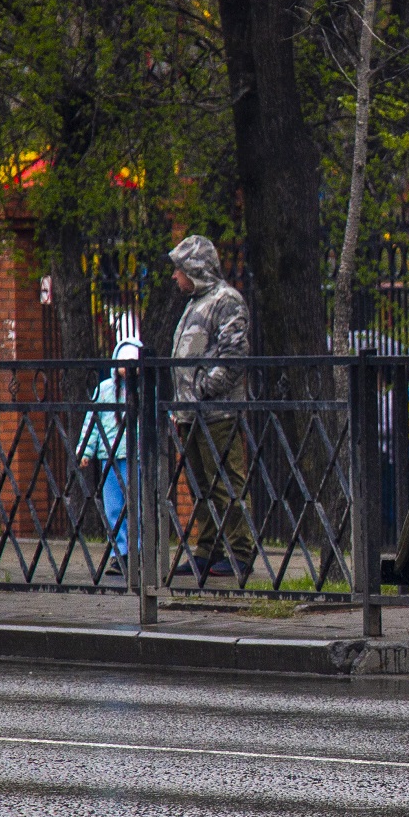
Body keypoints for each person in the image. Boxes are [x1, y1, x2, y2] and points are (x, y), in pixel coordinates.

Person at [168, 235, 256, 580]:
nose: (175, 277)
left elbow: (234, 354)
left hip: (217, 412)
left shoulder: (226, 300)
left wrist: (204, 389)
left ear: (195, 268)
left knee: (225, 481)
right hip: (191, 412)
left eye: (179, 270)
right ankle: (207, 550)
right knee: (199, 484)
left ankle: (240, 551)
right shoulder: (196, 301)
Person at [78, 339, 141, 577]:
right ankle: (119, 552)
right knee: (114, 507)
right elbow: (91, 423)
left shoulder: (143, 388)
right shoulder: (104, 389)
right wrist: (85, 451)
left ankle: (138, 550)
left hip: (136, 456)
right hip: (110, 458)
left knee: (136, 503)